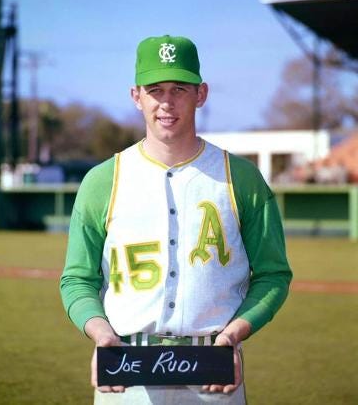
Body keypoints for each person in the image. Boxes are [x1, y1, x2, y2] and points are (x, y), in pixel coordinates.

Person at [60, 34, 292, 404]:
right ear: (136, 96)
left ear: (201, 94)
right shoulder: (102, 180)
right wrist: (100, 333)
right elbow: (77, 279)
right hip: (125, 365)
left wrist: (234, 334)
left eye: (179, 89)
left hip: (214, 367)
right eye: (155, 90)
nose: (166, 103)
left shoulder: (241, 178)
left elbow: (273, 275)